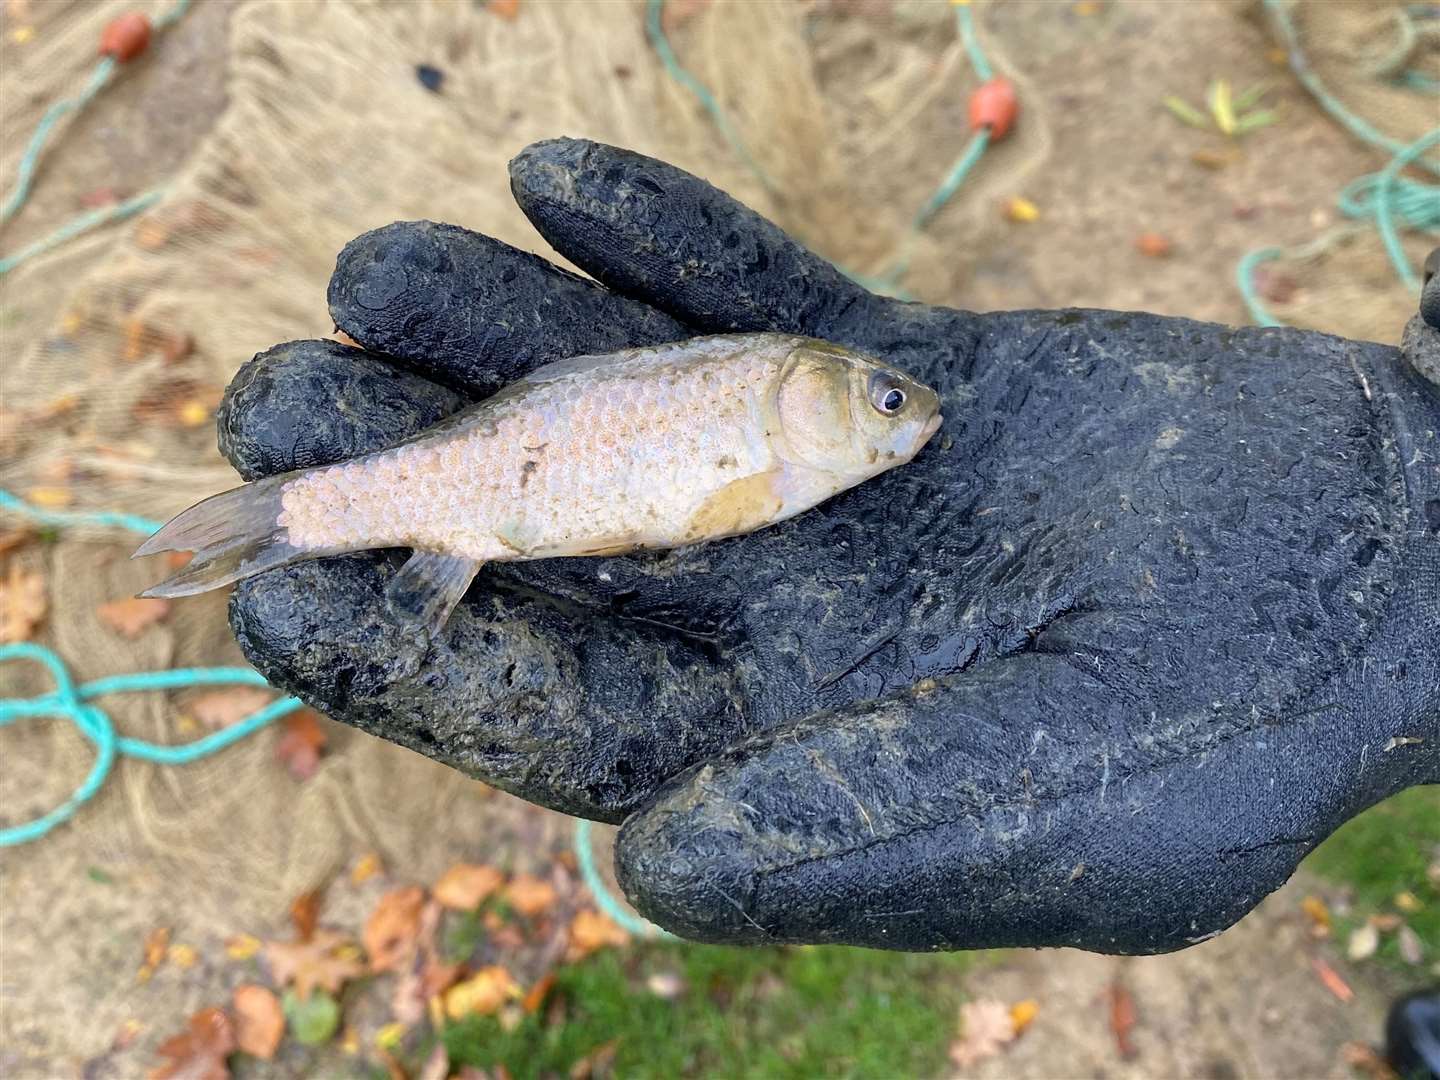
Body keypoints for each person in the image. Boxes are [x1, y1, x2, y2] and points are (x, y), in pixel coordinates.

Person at [217, 138, 1439, 952]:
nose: (907, 417)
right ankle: (305, 513)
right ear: (802, 399)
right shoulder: (771, 407)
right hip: (520, 473)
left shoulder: (790, 419)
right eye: (885, 404)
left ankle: (313, 514)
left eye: (891, 405)